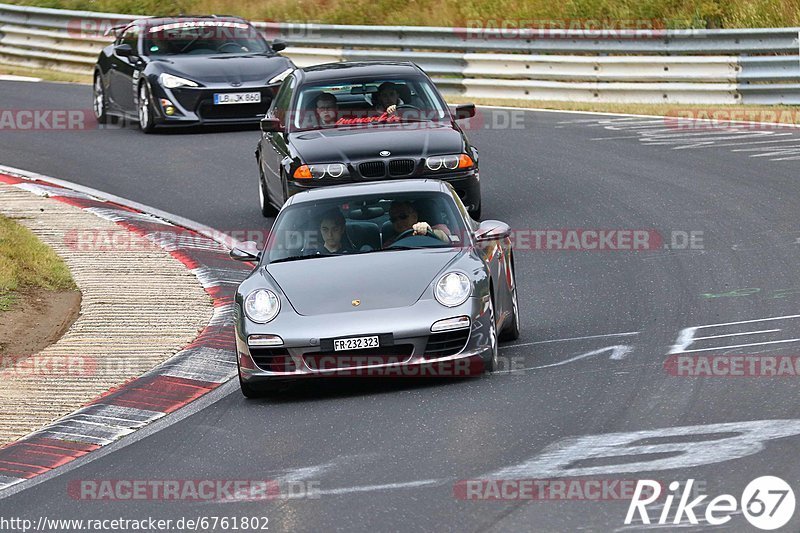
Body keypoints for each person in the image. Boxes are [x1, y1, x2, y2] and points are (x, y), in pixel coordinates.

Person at [383, 201, 449, 247]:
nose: (398, 222)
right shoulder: (391, 242)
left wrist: (429, 231)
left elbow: (449, 241)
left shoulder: (439, 229)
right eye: (394, 219)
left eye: (403, 216)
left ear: (414, 217)